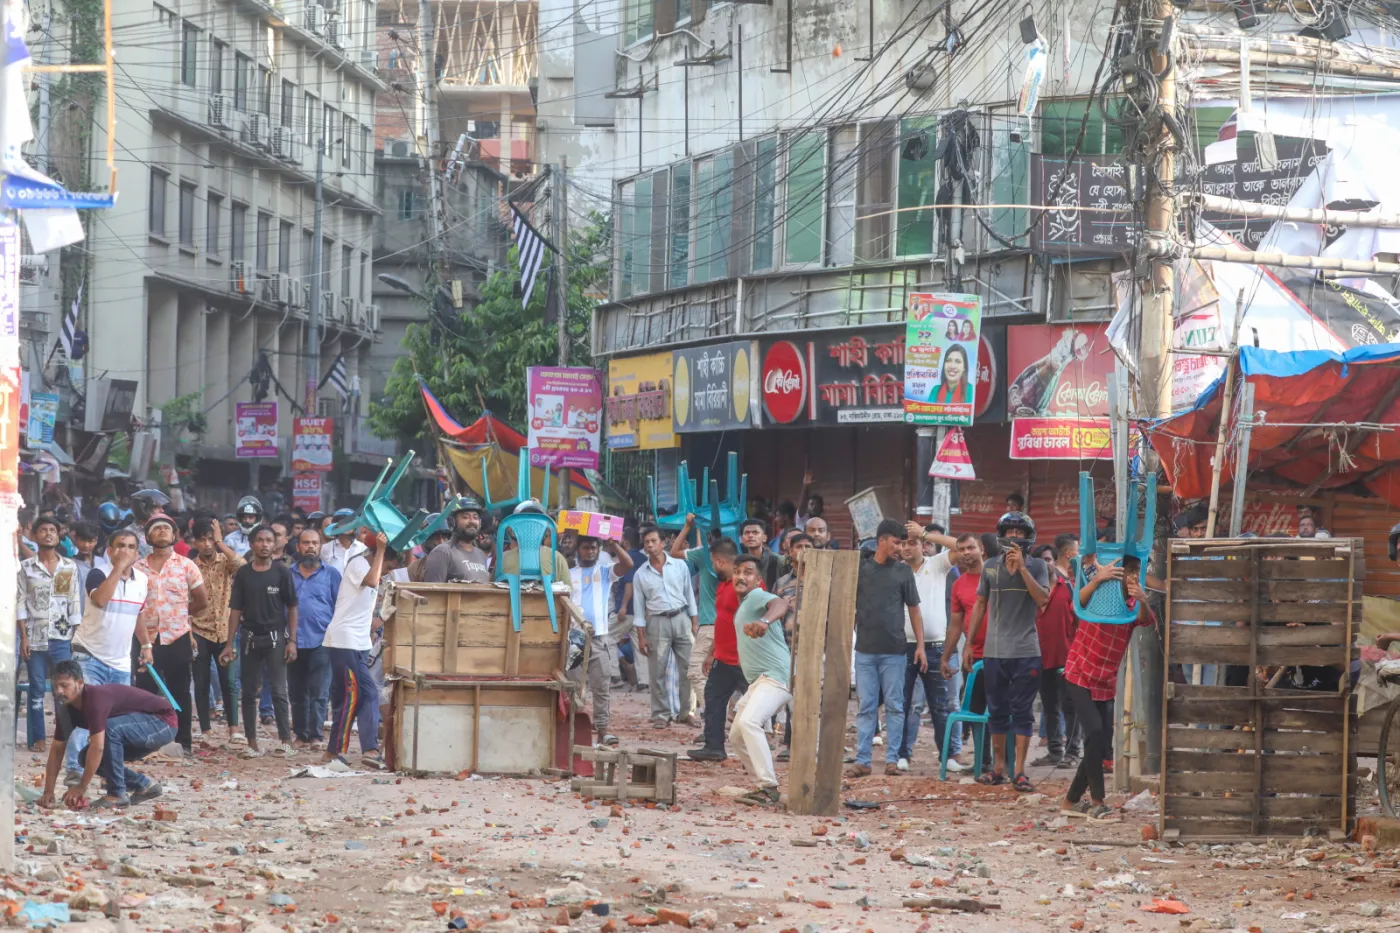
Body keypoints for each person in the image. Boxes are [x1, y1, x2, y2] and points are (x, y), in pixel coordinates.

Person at [1061, 557, 1156, 821]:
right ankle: (1097, 801)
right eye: (1129, 571)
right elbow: (1076, 604)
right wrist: (1097, 580)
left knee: (1099, 740)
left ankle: (1070, 801)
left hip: (1105, 678)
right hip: (1079, 671)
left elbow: (1145, 620)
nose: (1133, 576)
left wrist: (1143, 599)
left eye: (1137, 571)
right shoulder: (1101, 592)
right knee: (1094, 731)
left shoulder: (1132, 604)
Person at [964, 511, 1049, 792]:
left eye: (1019, 533)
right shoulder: (989, 566)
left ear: (1028, 537)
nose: (1014, 537)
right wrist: (969, 643)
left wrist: (1022, 568)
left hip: (1026, 650)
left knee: (1022, 713)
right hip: (994, 651)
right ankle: (998, 769)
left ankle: (1020, 772)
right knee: (997, 711)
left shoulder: (1038, 566)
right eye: (1009, 532)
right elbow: (980, 604)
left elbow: (1042, 599)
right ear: (1001, 536)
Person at [64, 528, 154, 785]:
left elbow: (138, 614)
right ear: (110, 550)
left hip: (120, 661)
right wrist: (118, 568)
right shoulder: (98, 573)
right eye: (120, 546)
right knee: (86, 715)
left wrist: (146, 645)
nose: (126, 551)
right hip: (89, 655)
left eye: (131, 547)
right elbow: (101, 600)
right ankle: (75, 769)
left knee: (114, 722)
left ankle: (108, 771)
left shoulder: (142, 581)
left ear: (137, 553)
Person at [39, 661, 176, 809]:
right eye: (55, 686)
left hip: (163, 723)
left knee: (109, 730)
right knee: (85, 757)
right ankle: (143, 786)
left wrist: (81, 787)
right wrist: (48, 792)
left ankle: (117, 794)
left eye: (64, 685)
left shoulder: (94, 699)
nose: (59, 691)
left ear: (79, 683)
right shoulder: (66, 710)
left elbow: (98, 747)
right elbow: (57, 751)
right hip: (140, 731)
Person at [849, 519, 923, 778]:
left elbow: (914, 610)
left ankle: (892, 760)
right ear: (881, 541)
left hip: (895, 651)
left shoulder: (903, 572)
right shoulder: (861, 570)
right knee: (866, 707)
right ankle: (863, 760)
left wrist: (920, 646)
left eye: (903, 544)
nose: (900, 548)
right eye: (896, 543)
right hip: (865, 650)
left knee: (894, 706)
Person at [219, 525, 298, 757]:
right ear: (252, 544)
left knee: (279, 691)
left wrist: (292, 641)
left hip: (276, 639)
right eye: (260, 540)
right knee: (248, 693)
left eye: (269, 540)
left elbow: (292, 607)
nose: (264, 545)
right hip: (249, 639)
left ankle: (286, 742)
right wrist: (229, 644)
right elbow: (235, 610)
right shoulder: (244, 574)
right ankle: (252, 744)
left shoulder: (282, 572)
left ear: (275, 544)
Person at [132, 514, 205, 752]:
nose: (162, 531)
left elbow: (201, 600)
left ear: (175, 535)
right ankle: (144, 743)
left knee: (180, 692)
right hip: (146, 639)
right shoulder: (137, 569)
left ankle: (184, 743)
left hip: (177, 637)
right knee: (144, 692)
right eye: (157, 528)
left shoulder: (186, 565)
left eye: (166, 528)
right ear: (148, 536)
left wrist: (180, 615)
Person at [897, 521, 961, 774]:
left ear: (923, 545)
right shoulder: (897, 570)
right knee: (903, 704)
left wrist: (924, 533)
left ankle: (947, 756)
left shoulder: (936, 564)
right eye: (903, 543)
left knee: (940, 705)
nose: (906, 548)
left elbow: (960, 546)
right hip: (903, 647)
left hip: (936, 647)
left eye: (912, 543)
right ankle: (902, 754)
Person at [728, 554, 793, 807]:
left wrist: (764, 621)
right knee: (737, 735)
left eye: (747, 572)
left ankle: (768, 786)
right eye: (737, 571)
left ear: (758, 580)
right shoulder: (745, 604)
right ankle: (763, 786)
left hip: (776, 676)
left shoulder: (757, 596)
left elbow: (780, 603)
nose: (740, 576)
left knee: (749, 722)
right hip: (759, 681)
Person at [322, 530, 389, 769]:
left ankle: (368, 749)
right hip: (344, 640)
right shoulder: (359, 563)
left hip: (359, 642)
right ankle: (337, 751)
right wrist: (381, 551)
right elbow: (372, 580)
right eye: (388, 564)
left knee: (368, 693)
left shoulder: (371, 565)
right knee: (351, 695)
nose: (386, 570)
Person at [17, 515, 82, 751]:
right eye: (43, 530)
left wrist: (75, 636)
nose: (48, 534)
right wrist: (23, 636)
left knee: (63, 689)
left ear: (58, 535)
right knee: (36, 688)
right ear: (35, 536)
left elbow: (74, 601)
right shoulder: (26, 568)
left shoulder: (69, 566)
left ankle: (62, 738)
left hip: (62, 637)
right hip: (34, 637)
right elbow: (20, 602)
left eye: (52, 530)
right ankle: (38, 738)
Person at [632, 524, 699, 730]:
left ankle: (687, 712)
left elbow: (689, 594)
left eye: (654, 541)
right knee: (657, 670)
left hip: (681, 618)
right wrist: (641, 637)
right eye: (646, 543)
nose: (650, 545)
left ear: (663, 543)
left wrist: (694, 622)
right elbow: (638, 609)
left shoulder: (679, 566)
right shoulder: (640, 574)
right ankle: (660, 714)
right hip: (656, 621)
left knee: (689, 668)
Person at [569, 535, 633, 747]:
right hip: (575, 638)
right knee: (574, 688)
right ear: (578, 550)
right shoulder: (569, 574)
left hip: (600, 637)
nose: (591, 552)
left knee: (602, 686)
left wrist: (614, 544)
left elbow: (628, 564)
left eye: (594, 548)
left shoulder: (605, 572)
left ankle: (603, 730)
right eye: (586, 548)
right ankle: (575, 730)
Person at [686, 539, 744, 762]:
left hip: (743, 657)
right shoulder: (722, 586)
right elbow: (721, 621)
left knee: (753, 699)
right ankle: (713, 746)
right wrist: (711, 652)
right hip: (723, 656)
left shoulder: (744, 586)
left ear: (719, 561)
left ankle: (758, 743)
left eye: (712, 562)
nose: (712, 567)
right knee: (713, 697)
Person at [189, 516, 244, 744]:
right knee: (201, 683)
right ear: (194, 542)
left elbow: (242, 566)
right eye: (202, 540)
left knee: (229, 683)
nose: (207, 544)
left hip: (225, 632)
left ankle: (234, 730)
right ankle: (206, 730)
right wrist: (189, 633)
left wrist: (222, 543)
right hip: (199, 631)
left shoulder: (225, 561)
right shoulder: (190, 566)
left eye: (211, 539)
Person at [941, 533, 991, 771]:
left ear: (981, 549)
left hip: (1001, 653)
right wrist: (946, 656)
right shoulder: (959, 584)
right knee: (975, 710)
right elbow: (955, 624)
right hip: (973, 656)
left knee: (999, 710)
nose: (966, 553)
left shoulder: (994, 576)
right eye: (961, 549)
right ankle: (983, 762)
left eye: (971, 547)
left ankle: (1001, 763)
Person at [1034, 533, 1082, 767]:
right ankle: (1054, 751)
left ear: (1055, 561)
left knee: (1071, 706)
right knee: (1049, 706)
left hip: (1068, 657)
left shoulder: (1070, 588)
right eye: (1040, 561)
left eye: (1048, 559)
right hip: (1041, 658)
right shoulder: (1032, 592)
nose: (1045, 564)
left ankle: (1073, 752)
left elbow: (1080, 623)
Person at [289, 528, 340, 749]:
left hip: (322, 640)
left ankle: (316, 736)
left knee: (319, 692)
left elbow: (339, 605)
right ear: (298, 546)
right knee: (297, 691)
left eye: (314, 543)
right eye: (306, 543)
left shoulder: (332, 574)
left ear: (320, 547)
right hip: (293, 641)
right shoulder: (288, 574)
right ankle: (301, 735)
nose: (310, 547)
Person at [670, 514, 723, 713]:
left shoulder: (704, 554)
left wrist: (688, 527)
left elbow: (674, 552)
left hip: (710, 625)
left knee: (696, 672)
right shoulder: (738, 557)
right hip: (731, 624)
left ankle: (714, 715)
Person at [421, 498, 490, 583]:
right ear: (452, 521)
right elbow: (433, 590)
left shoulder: (481, 555)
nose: (472, 521)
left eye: (475, 517)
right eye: (465, 517)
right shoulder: (442, 553)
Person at [738, 518, 785, 590]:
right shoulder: (740, 563)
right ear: (742, 539)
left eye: (755, 533)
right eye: (747, 533)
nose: (750, 535)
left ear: (764, 538)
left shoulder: (777, 560)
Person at [320, 509, 366, 573]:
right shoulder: (325, 548)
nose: (347, 525)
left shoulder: (363, 548)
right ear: (335, 526)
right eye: (342, 522)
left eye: (350, 522)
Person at [70, 522, 99, 612]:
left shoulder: (102, 562)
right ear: (76, 539)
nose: (86, 545)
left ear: (96, 541)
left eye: (90, 541)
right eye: (82, 540)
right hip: (77, 613)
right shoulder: (69, 564)